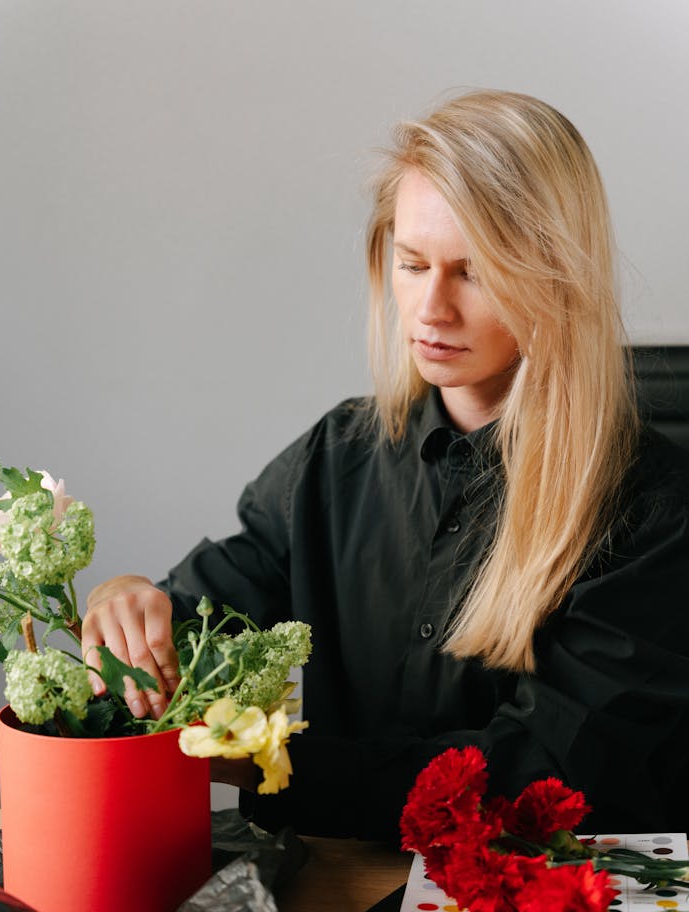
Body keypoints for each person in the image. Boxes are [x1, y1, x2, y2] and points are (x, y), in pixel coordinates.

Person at [82, 90, 689, 842]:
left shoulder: (650, 509)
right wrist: (128, 601)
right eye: (412, 262)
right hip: (343, 886)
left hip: (544, 905)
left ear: (556, 278)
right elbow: (207, 609)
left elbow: (542, 773)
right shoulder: (337, 457)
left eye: (474, 272)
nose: (431, 308)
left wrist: (274, 765)